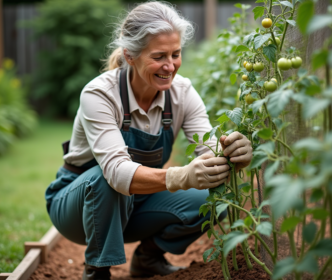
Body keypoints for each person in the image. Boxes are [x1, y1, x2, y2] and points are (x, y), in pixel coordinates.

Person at [45, 2, 252, 279]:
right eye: (159, 56)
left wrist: (234, 153)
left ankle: (148, 257)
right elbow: (117, 173)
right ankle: (97, 270)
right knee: (105, 179)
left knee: (214, 198)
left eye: (176, 54)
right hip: (78, 209)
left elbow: (209, 148)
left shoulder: (182, 93)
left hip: (137, 206)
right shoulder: (99, 94)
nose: (170, 66)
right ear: (130, 55)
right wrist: (181, 176)